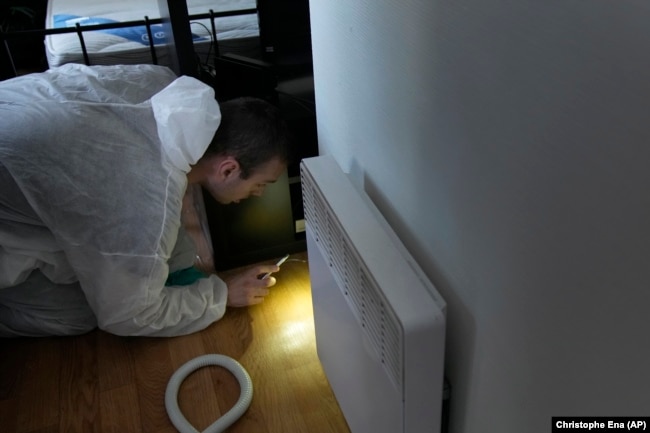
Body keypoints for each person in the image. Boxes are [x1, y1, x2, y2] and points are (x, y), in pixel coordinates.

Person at [0, 63, 292, 337]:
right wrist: (223, 295)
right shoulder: (143, 195)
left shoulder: (166, 86)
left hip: (15, 113)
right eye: (260, 184)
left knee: (167, 255)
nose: (259, 194)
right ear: (228, 169)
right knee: (80, 313)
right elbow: (127, 316)